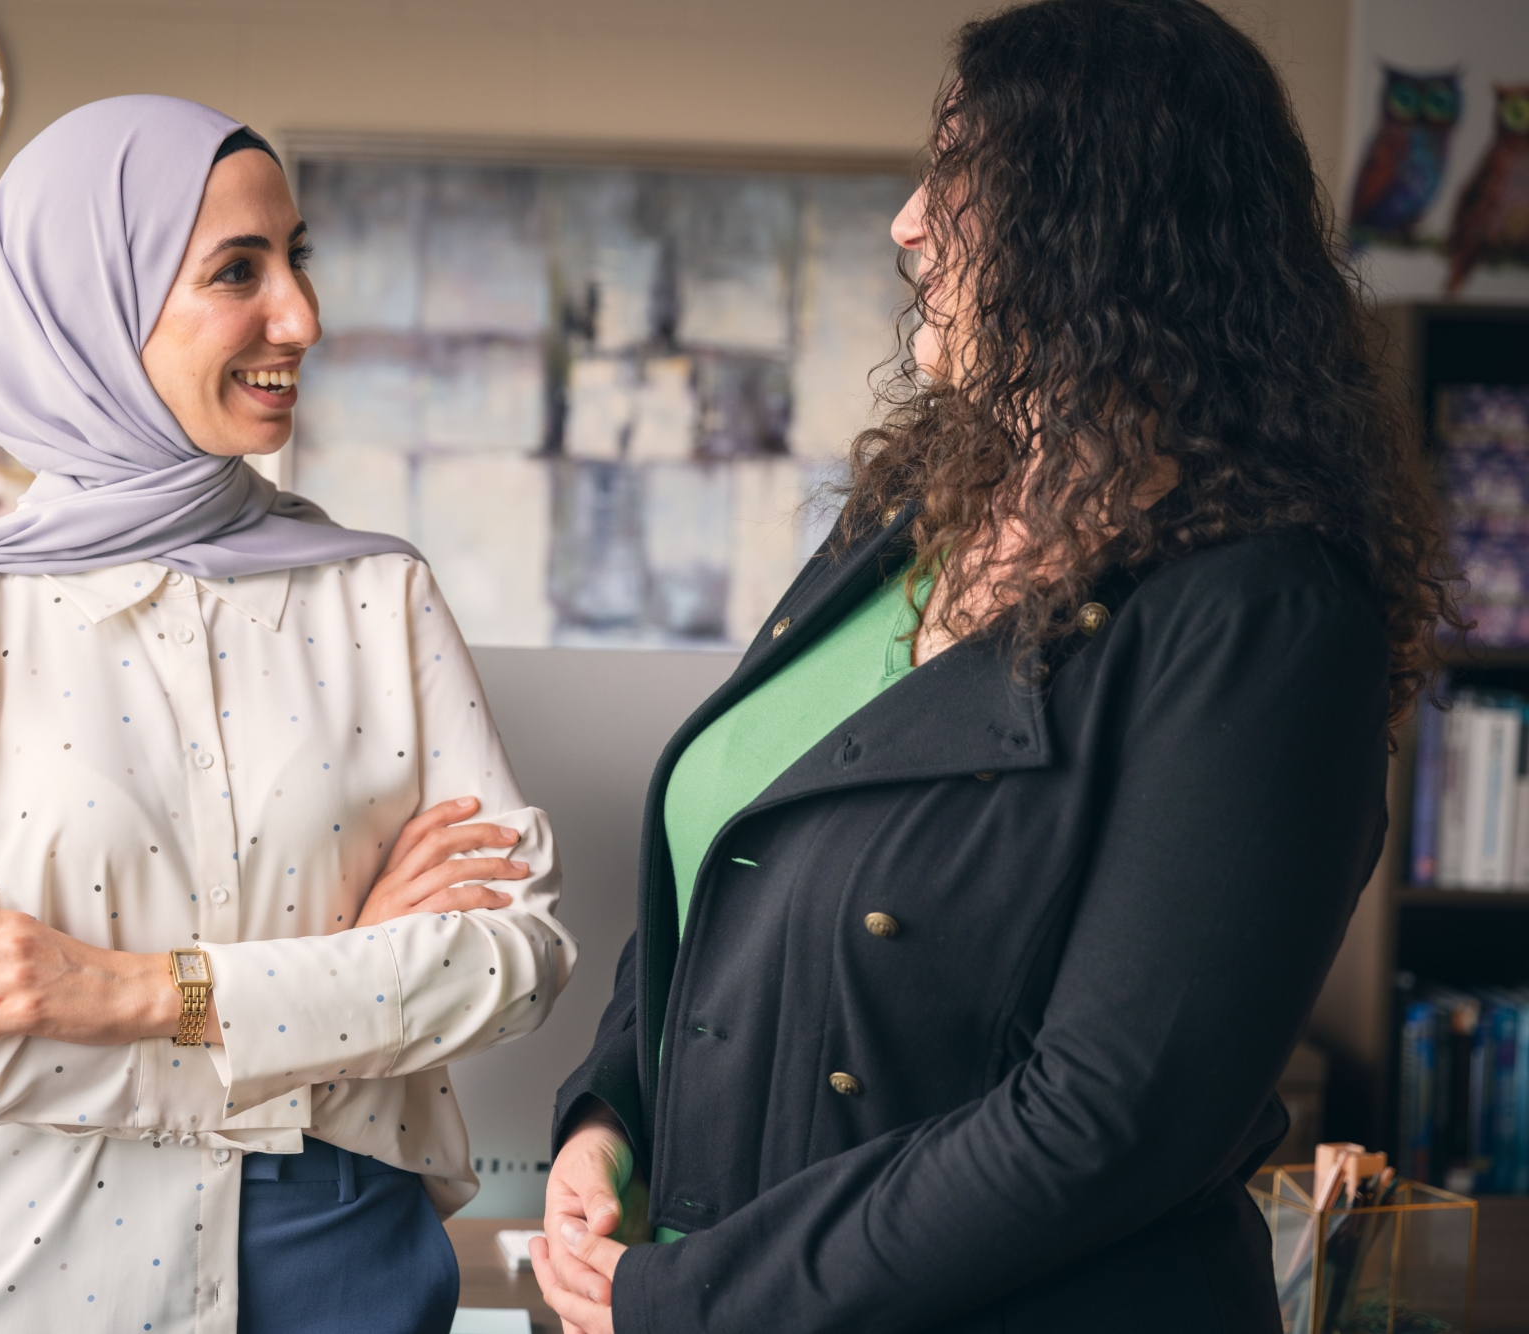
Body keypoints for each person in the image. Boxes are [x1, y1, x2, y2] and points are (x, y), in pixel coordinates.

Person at [532, 1, 1461, 1330]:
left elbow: (1111, 1113)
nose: (909, 221)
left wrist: (699, 1294)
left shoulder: (1263, 612)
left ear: (1109, 219)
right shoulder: (902, 521)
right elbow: (734, 853)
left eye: (958, 175)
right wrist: (605, 1118)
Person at [0, 96, 576, 1334]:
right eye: (236, 272)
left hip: (352, 1285)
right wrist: (350, 977)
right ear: (92, 303)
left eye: (294, 259)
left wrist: (137, 991)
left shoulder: (377, 591)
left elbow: (514, 958)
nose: (300, 316)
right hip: (26, 1288)